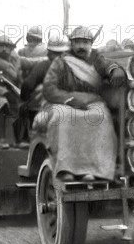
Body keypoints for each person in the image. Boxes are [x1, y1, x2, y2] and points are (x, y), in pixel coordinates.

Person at [42, 25, 127, 182]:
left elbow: (107, 65)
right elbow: (49, 88)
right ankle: (66, 169)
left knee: (101, 118)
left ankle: (97, 171)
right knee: (64, 118)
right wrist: (69, 100)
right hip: (65, 102)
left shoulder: (97, 59)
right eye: (78, 42)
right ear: (72, 44)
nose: (81, 46)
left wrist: (115, 70)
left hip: (92, 102)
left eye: (85, 42)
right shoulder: (61, 62)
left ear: (91, 44)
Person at [19, 33, 71, 139]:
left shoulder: (43, 66)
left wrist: (24, 99)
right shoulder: (76, 66)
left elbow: (27, 85)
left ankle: (26, 138)